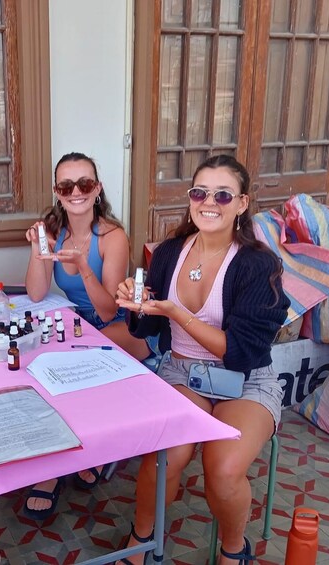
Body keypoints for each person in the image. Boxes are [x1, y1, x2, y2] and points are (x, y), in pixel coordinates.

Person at [114, 154, 290, 565]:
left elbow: (241, 351)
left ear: (242, 203)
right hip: (181, 372)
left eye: (223, 195)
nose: (209, 202)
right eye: (200, 192)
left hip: (246, 381)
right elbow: (147, 329)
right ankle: (140, 542)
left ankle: (234, 550)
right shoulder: (169, 252)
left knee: (223, 468)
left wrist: (177, 313)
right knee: (165, 458)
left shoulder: (258, 264)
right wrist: (135, 305)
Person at [23, 151, 152, 520]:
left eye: (85, 183)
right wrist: (37, 249)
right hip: (83, 324)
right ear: (57, 192)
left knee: (73, 362)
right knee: (39, 361)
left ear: (97, 189)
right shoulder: (55, 230)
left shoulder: (112, 236)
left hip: (124, 326)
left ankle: (89, 452)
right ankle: (53, 461)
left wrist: (82, 267)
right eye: (67, 186)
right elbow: (36, 293)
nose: (76, 192)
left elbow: (111, 310)